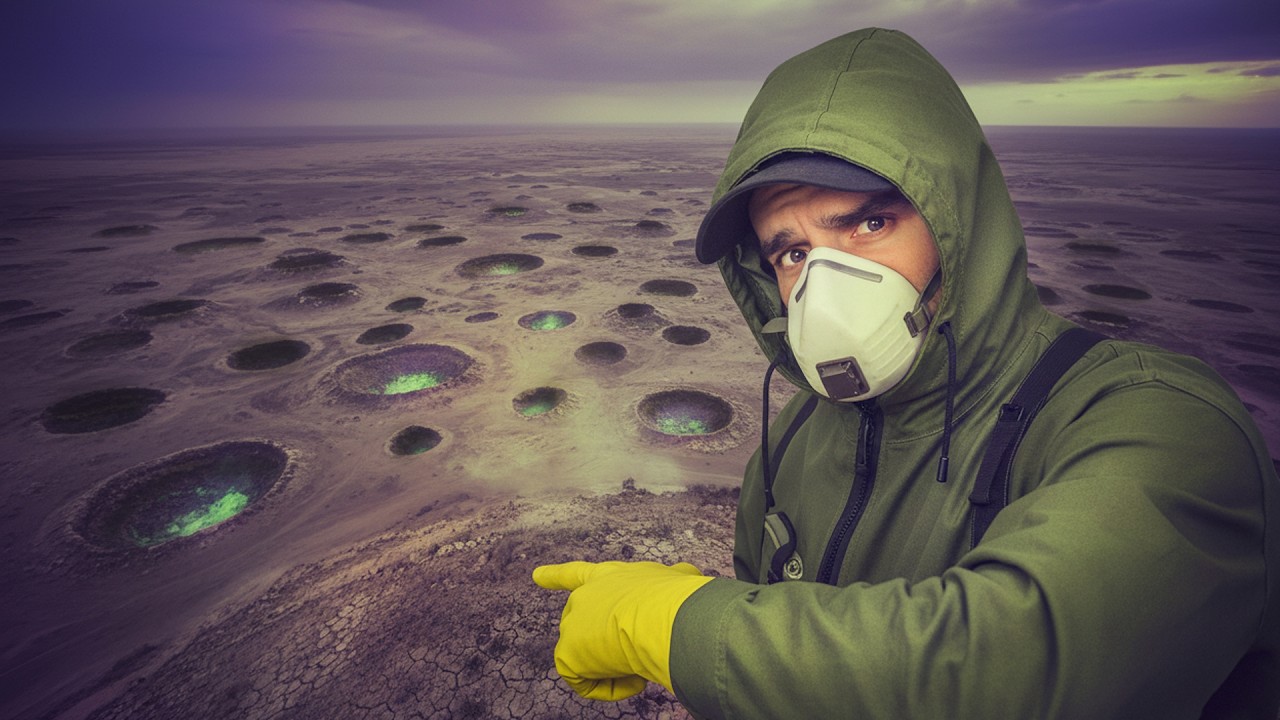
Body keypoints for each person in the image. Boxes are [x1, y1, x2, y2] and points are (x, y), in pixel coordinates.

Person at [533, 27, 1280, 718]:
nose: (826, 283)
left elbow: (1014, 670)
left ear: (959, 221)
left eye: (869, 223)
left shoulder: (1162, 424)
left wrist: (681, 628)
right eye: (793, 253)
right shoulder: (793, 442)